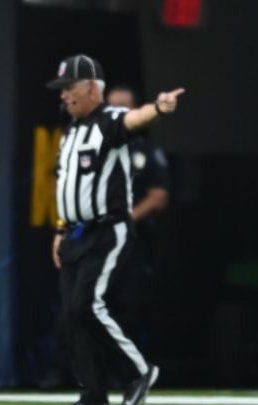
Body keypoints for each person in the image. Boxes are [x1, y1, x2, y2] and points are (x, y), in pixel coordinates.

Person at [47, 53, 185, 405]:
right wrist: (61, 230)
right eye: (60, 89)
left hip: (106, 230)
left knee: (86, 305)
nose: (63, 95)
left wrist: (159, 106)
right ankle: (92, 393)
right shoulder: (71, 131)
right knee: (73, 316)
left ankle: (140, 371)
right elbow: (65, 186)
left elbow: (135, 118)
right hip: (75, 234)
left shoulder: (109, 121)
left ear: (91, 86)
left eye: (69, 87)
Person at [105, 84, 172, 354]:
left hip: (130, 242)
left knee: (128, 306)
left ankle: (122, 370)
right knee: (81, 305)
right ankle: (63, 373)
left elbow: (159, 196)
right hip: (91, 240)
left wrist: (122, 221)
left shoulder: (146, 152)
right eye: (112, 109)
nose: (119, 115)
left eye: (125, 109)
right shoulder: (91, 146)